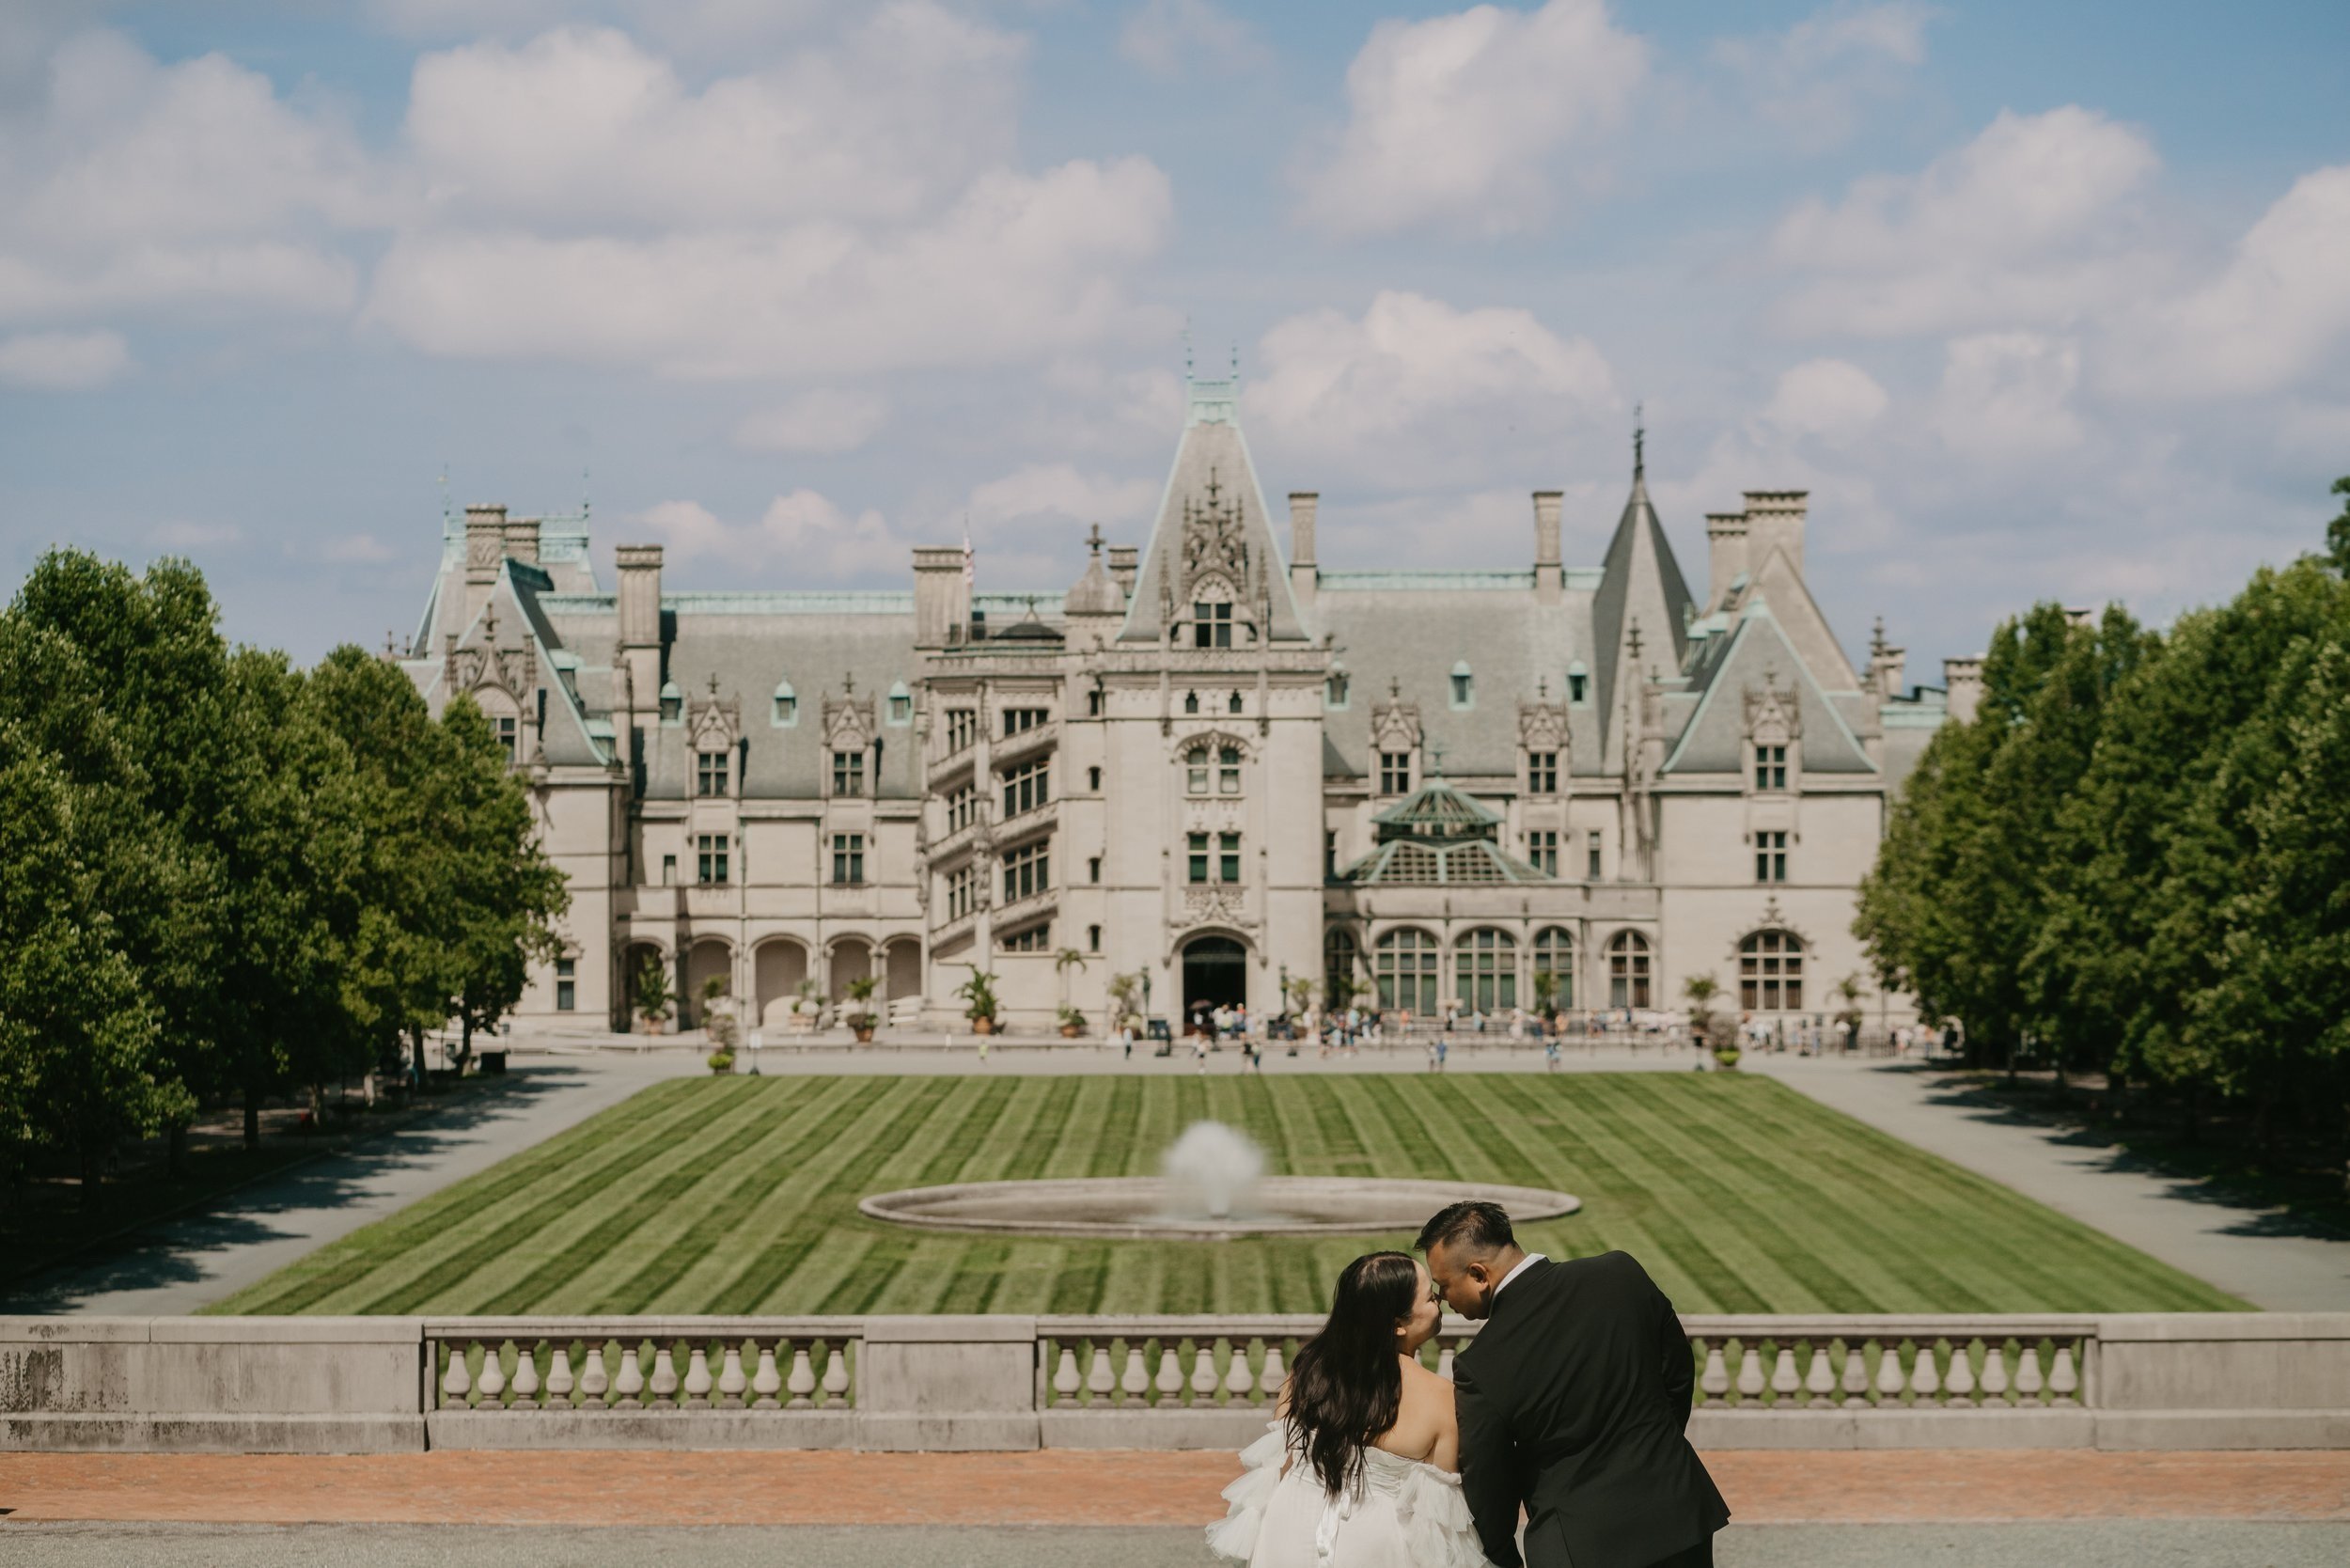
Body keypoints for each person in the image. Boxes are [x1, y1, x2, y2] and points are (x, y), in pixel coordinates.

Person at [1418, 1202, 1727, 1568]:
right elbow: (1677, 1373)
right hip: (1677, 1511)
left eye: (1444, 1286)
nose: (1443, 1299)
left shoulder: (1480, 1364)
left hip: (1577, 1546)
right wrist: (1656, 1447)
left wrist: (1503, 1558)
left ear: (1479, 1274)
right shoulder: (1620, 1273)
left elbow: (1489, 1484)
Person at [1208, 1252, 1490, 1567]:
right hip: (1375, 1544)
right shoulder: (1440, 1397)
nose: (1438, 1300)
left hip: (1288, 1524)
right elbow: (1440, 1518)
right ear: (1398, 1324)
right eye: (1429, 1297)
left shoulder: (1307, 1369)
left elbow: (1283, 1462)